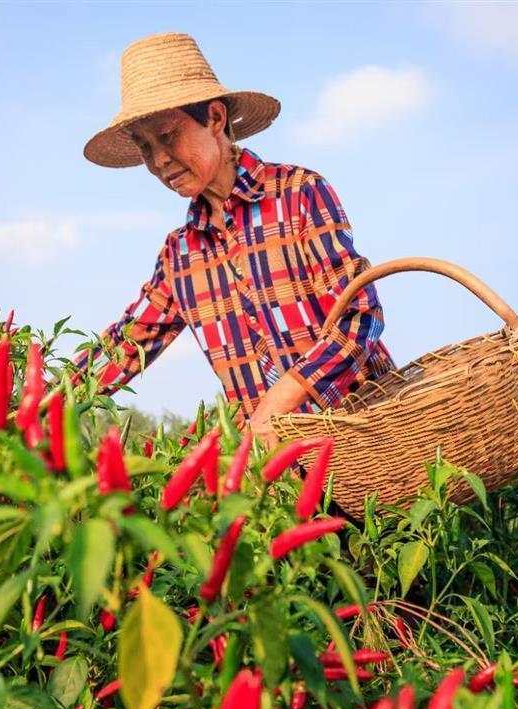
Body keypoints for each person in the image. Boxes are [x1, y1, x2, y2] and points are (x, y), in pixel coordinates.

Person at [77, 32, 394, 449]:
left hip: (371, 439)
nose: (158, 161)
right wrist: (39, 398)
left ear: (214, 118)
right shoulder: (180, 254)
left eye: (168, 137)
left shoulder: (298, 193)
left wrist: (287, 394)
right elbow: (125, 346)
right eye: (145, 147)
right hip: (282, 468)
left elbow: (359, 314)